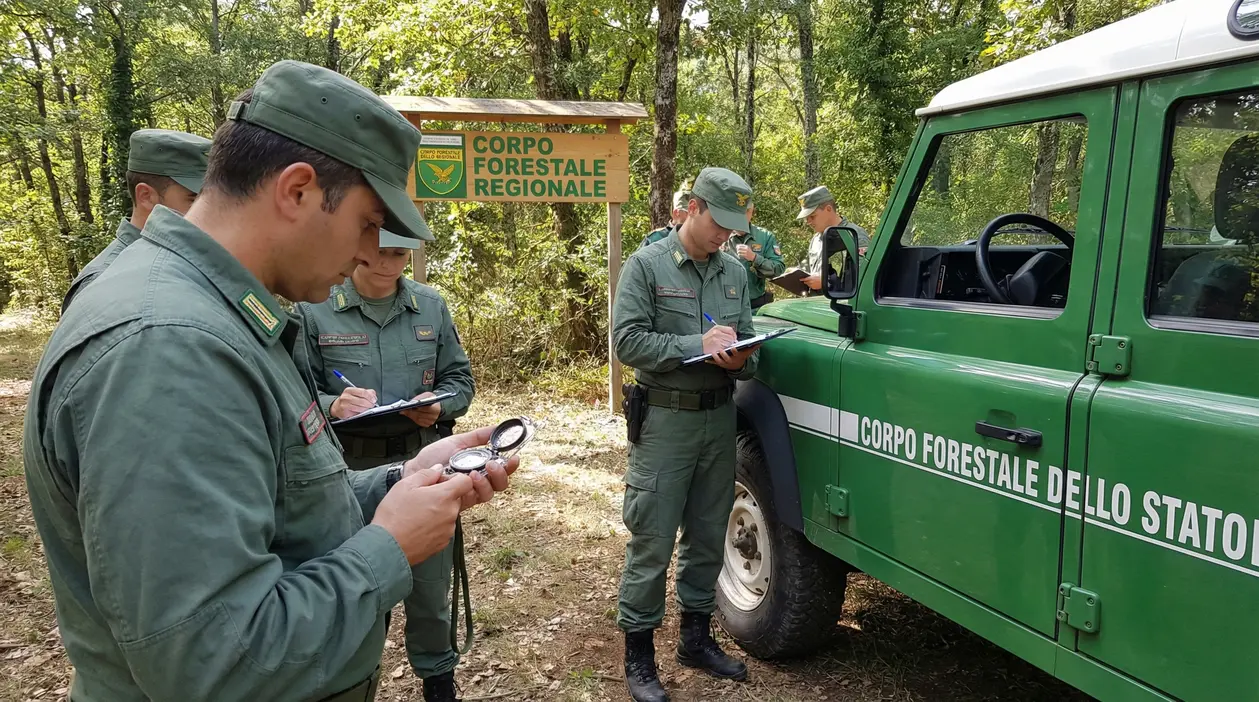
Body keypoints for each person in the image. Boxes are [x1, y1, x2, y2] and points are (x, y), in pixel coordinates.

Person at [23, 60, 515, 702]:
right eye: (368, 222)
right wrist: (388, 548)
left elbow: (275, 506)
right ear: (298, 191)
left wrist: (402, 481)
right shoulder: (169, 348)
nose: (371, 253)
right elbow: (213, 658)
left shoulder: (213, 311)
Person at [296, 227, 475, 702]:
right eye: (380, 253)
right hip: (347, 468)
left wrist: (441, 407)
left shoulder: (430, 306)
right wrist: (333, 405)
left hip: (422, 456)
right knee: (354, 580)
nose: (388, 264)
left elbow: (461, 380)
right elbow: (291, 392)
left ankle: (438, 680)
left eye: (400, 254)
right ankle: (351, 680)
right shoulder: (315, 306)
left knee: (430, 585)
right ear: (357, 246)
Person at [612, 167, 761, 702]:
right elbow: (627, 341)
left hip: (719, 418)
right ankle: (640, 655)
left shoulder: (734, 275)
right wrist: (693, 344)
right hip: (666, 422)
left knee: (707, 532)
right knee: (652, 538)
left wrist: (741, 358)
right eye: (717, 222)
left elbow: (748, 343)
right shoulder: (647, 266)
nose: (723, 235)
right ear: (692, 208)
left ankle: (695, 639)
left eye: (732, 227)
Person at [60, 128, 211, 314]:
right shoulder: (103, 282)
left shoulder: (187, 263)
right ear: (146, 196)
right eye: (194, 200)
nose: (207, 212)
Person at [796, 185, 870, 293]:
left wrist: (825, 282)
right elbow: (811, 270)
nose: (808, 222)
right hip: (815, 304)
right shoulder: (816, 239)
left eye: (812, 216)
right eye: (806, 218)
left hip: (840, 306)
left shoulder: (854, 235)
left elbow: (865, 277)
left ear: (828, 209)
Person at [724, 200, 785, 312]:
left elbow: (778, 269)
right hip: (726, 308)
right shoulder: (721, 235)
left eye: (745, 212)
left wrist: (754, 258)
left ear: (751, 212)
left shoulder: (765, 236)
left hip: (755, 307)